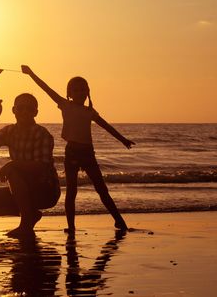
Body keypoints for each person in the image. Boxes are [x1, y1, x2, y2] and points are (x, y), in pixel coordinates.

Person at [21, 65, 134, 234]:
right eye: (76, 90)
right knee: (71, 191)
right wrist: (31, 74)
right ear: (69, 93)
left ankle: (120, 222)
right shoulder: (65, 105)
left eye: (82, 90)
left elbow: (106, 126)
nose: (79, 92)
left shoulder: (90, 111)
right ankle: (71, 227)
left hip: (88, 153)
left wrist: (123, 140)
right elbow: (46, 88)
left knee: (102, 189)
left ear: (87, 92)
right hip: (72, 152)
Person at [0, 95, 61, 238]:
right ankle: (31, 214)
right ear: (14, 110)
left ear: (35, 112)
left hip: (46, 190)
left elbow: (41, 166)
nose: (24, 112)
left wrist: (13, 164)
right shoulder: (11, 131)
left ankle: (25, 224)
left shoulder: (42, 134)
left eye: (29, 109)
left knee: (13, 171)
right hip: (21, 189)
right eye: (20, 108)